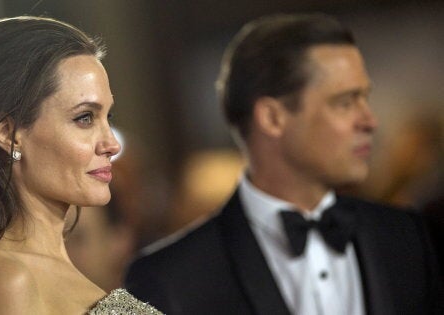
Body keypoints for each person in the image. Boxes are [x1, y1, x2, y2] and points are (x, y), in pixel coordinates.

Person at [125, 13, 443, 315]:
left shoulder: (407, 237)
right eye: (345, 102)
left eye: (365, 98)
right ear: (273, 118)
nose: (369, 121)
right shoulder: (169, 277)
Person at [0, 16, 162, 314]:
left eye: (108, 117)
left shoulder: (40, 272)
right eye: (85, 118)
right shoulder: (7, 278)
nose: (112, 145)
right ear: (7, 134)